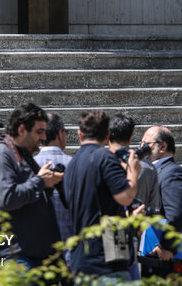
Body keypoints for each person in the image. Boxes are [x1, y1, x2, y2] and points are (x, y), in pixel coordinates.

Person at [0, 103, 63, 275]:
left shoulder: (23, 154)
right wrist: (40, 181)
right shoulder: (0, 156)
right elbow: (6, 198)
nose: (44, 137)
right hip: (13, 259)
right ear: (22, 129)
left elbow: (30, 194)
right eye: (39, 132)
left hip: (30, 257)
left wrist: (48, 183)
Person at [64, 110, 141, 281]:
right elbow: (126, 197)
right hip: (105, 261)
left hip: (80, 257)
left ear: (79, 134)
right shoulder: (105, 158)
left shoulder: (72, 163)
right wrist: (133, 173)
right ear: (107, 135)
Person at [140, 125, 182, 277]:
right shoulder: (153, 171)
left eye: (145, 144)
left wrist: (166, 247)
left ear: (162, 146)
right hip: (152, 252)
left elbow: (176, 214)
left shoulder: (174, 173)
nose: (141, 148)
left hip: (165, 257)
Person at [33, 113, 73, 265]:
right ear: (60, 133)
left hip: (39, 252)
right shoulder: (74, 164)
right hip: (70, 249)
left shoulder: (31, 165)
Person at [108, 114, 160, 213]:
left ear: (107, 137)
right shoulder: (148, 167)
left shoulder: (98, 163)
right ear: (131, 137)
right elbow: (154, 206)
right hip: (138, 225)